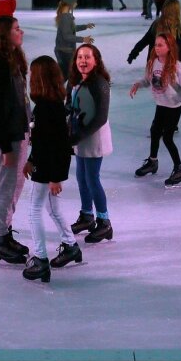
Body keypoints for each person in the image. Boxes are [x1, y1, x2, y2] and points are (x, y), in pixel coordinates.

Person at [21, 56, 81, 283]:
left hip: (47, 170)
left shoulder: (50, 109)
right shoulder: (47, 106)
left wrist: (55, 177)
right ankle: (71, 244)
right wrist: (30, 159)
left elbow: (61, 146)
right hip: (44, 165)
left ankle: (40, 258)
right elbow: (42, 141)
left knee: (34, 209)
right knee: (53, 209)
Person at [0, 16, 31, 265]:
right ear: (3, 35)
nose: (21, 32)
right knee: (3, 189)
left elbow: (20, 100)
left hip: (16, 133)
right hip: (3, 138)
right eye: (16, 29)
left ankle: (5, 233)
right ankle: (0, 241)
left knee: (13, 188)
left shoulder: (11, 59)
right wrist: (6, 148)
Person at [130, 34, 181, 187]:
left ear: (169, 48)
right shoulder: (153, 63)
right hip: (161, 104)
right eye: (156, 44)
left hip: (173, 107)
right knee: (154, 131)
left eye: (160, 45)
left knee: (167, 137)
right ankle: (153, 162)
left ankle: (180, 169)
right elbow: (148, 79)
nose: (156, 48)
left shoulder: (176, 66)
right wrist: (138, 84)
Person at [67, 44, 115, 244]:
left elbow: (100, 118)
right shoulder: (75, 82)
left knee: (92, 178)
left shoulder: (100, 84)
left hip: (93, 138)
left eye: (88, 57)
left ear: (96, 60)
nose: (83, 61)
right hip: (79, 137)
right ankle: (87, 216)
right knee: (81, 177)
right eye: (80, 57)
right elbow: (69, 108)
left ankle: (104, 223)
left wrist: (76, 137)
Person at [128, 0, 181, 75]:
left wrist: (133, 54)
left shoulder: (156, 24)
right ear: (176, 12)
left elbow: (143, 41)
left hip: (153, 66)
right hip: (163, 68)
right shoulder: (172, 27)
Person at [54, 0, 94, 77]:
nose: (76, 3)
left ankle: (57, 88)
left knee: (67, 75)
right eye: (74, 1)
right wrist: (83, 39)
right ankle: (56, 88)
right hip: (65, 52)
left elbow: (71, 28)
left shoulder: (65, 15)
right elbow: (67, 36)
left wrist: (85, 26)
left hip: (64, 50)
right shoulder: (65, 17)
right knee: (71, 75)